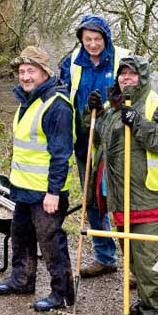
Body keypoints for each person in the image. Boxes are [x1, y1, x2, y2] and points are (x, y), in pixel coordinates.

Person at [88, 56, 158, 315]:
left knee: (150, 257)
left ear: (143, 77)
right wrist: (91, 113)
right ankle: (146, 299)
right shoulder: (114, 108)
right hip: (122, 197)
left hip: (151, 197)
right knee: (132, 255)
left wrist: (138, 123)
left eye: (132, 74)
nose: (126, 79)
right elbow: (98, 140)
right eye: (122, 74)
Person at [0, 46, 76, 312]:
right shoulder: (27, 102)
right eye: (22, 71)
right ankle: (22, 280)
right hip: (23, 187)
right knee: (21, 236)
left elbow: (61, 154)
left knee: (51, 244)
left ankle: (61, 294)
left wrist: (53, 192)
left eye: (31, 71)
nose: (26, 77)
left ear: (45, 73)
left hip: (45, 193)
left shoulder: (57, 106)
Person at [60, 14, 131, 279]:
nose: (93, 44)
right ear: (81, 39)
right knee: (91, 199)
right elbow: (62, 92)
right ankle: (105, 256)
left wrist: (108, 103)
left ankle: (134, 266)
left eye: (97, 39)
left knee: (118, 200)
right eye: (87, 39)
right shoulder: (73, 63)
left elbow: (135, 94)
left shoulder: (122, 58)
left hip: (114, 144)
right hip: (84, 139)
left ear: (106, 38)